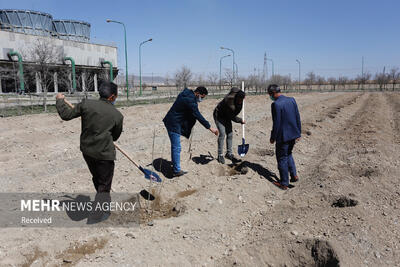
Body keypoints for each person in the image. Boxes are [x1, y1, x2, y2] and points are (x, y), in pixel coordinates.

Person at [55, 81, 123, 223]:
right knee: (104, 185)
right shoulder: (117, 115)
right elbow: (115, 137)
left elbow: (66, 115)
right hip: (104, 154)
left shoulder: (86, 104)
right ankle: (97, 216)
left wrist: (60, 101)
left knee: (97, 179)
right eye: (115, 96)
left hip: (87, 151)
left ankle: (104, 202)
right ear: (111, 97)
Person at [163, 86, 219, 177]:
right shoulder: (190, 101)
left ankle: (175, 167)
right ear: (198, 94)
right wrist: (211, 128)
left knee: (176, 147)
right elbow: (198, 115)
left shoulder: (186, 93)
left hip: (173, 120)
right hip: (173, 123)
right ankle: (176, 171)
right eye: (202, 97)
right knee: (176, 147)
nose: (202, 99)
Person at [268, 84, 301, 190]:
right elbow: (297, 117)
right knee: (289, 154)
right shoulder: (291, 100)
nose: (270, 97)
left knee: (282, 158)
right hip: (293, 134)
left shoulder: (276, 105)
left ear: (273, 93)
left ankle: (284, 183)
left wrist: (273, 137)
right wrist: (298, 132)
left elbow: (276, 124)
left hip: (283, 137)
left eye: (270, 94)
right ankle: (294, 175)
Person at [213, 87, 246, 164]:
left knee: (230, 134)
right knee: (222, 133)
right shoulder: (229, 102)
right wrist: (240, 120)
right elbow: (232, 117)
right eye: (239, 100)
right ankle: (220, 155)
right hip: (219, 115)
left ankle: (229, 153)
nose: (240, 102)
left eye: (242, 100)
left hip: (227, 116)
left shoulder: (238, 96)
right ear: (236, 98)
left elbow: (234, 88)